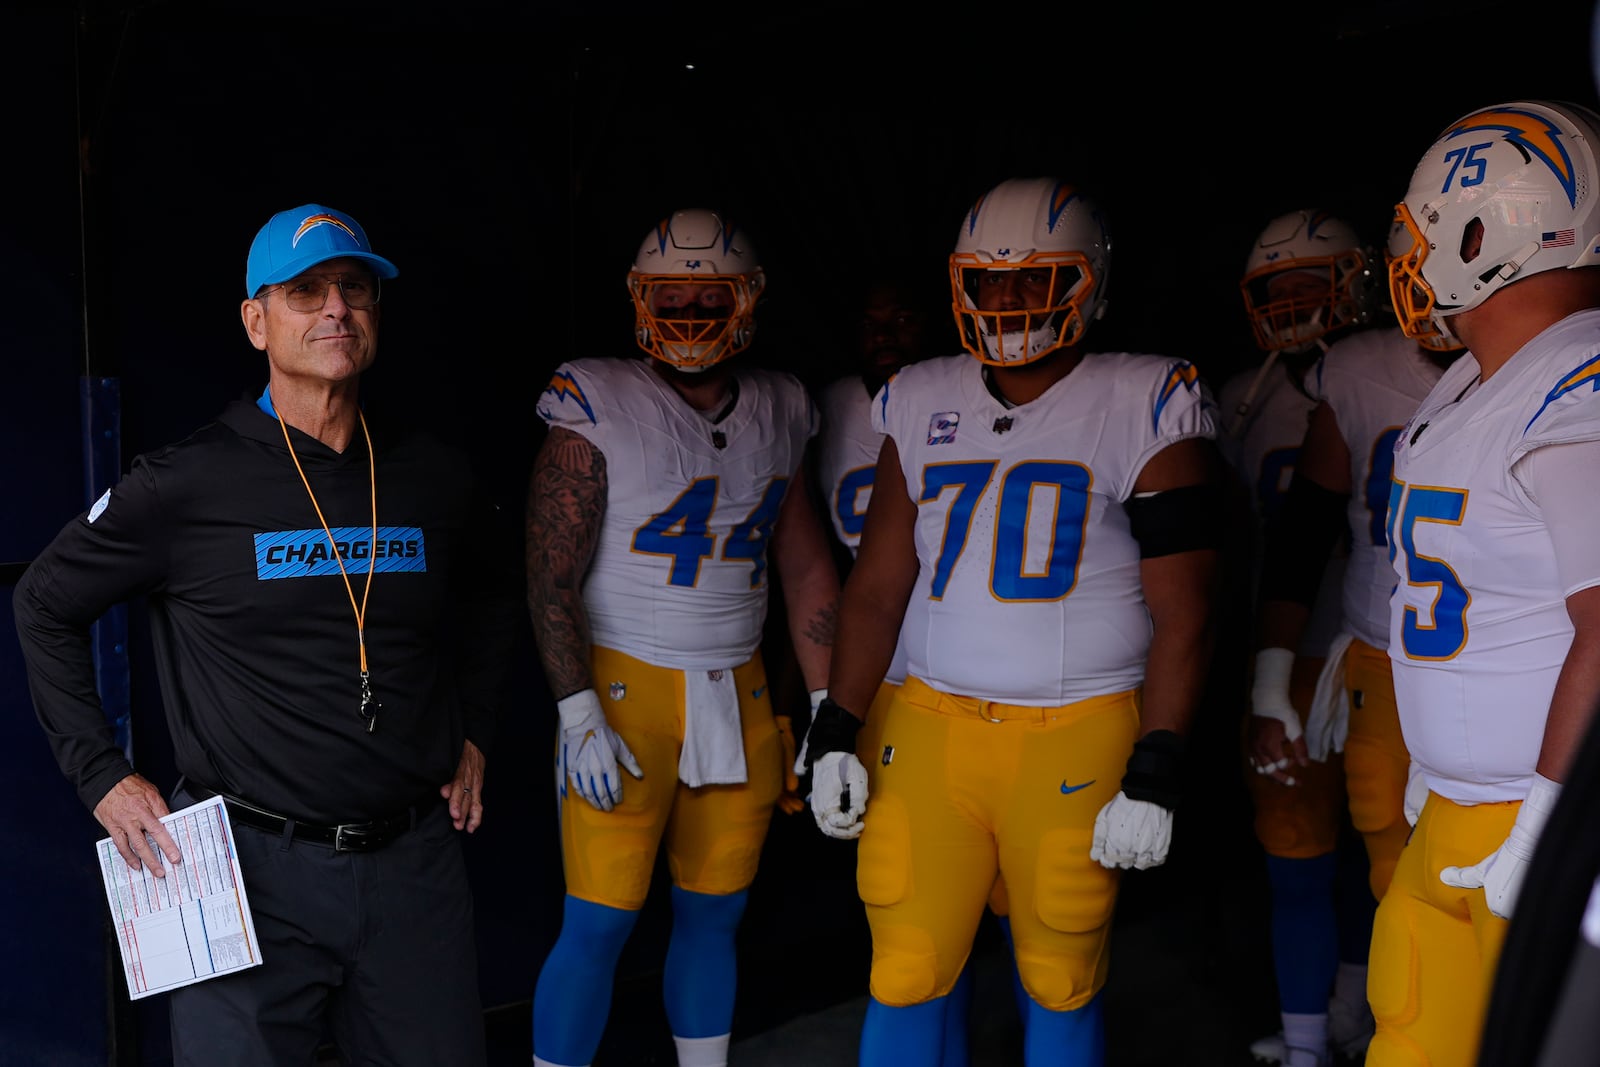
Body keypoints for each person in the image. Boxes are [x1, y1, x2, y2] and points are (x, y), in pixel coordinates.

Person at [11, 203, 520, 1066]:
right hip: (247, 871)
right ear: (257, 320)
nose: (334, 310)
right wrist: (102, 775)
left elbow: (493, 591)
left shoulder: (431, 472)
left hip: (412, 869)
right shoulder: (187, 482)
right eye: (305, 290)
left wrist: (474, 728)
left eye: (353, 289)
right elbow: (43, 601)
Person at [800, 176, 1224, 1066]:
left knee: (1059, 970)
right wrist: (836, 722)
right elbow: (879, 584)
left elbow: (1185, 610)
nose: (1007, 300)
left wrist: (1160, 763)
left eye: (1034, 279)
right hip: (930, 723)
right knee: (908, 963)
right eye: (989, 282)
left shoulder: (1147, 396)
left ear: (1089, 285)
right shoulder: (917, 397)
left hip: (1075, 731)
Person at [526, 207, 840, 1067]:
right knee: (598, 920)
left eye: (709, 298)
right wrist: (577, 707)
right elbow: (550, 573)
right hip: (625, 686)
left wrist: (824, 703)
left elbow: (809, 566)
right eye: (674, 297)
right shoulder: (598, 399)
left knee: (716, 914)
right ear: (638, 299)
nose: (692, 314)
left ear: (747, 301)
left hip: (735, 688)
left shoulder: (781, 405)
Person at [1368, 97, 1600, 1067]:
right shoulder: (1472, 377)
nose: (1412, 258)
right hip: (1455, 809)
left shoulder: (1577, 373)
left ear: (1484, 232)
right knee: (1412, 1033)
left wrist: (1549, 819)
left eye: (1425, 233)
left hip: (1541, 823)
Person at [1219, 209, 1381, 1067]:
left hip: (1377, 648)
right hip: (1286, 649)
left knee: (1379, 842)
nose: (1289, 303)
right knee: (1295, 853)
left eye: (1306, 283)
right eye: (1273, 289)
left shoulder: (1398, 374)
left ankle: (1358, 1008)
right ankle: (1309, 1037)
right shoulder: (1237, 403)